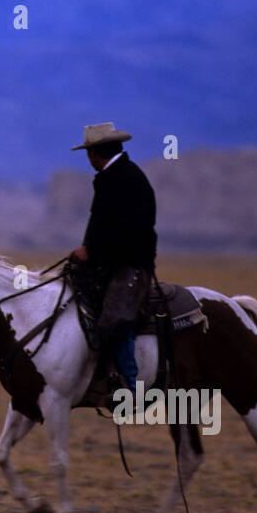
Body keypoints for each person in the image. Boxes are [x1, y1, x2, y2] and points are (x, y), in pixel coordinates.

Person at [68, 123, 157, 393]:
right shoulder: (112, 176)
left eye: (88, 152)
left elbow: (128, 229)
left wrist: (91, 252)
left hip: (130, 264)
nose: (88, 158)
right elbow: (103, 225)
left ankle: (129, 386)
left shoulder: (127, 178)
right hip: (108, 263)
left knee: (114, 320)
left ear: (95, 153)